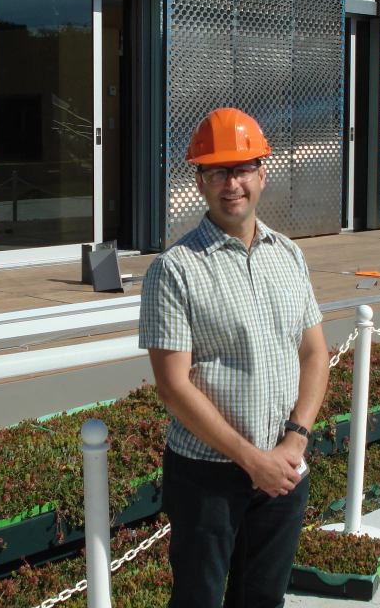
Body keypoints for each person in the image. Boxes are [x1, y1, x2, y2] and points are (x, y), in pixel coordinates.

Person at [139, 107, 330, 608]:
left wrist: (295, 439)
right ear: (200, 180)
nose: (231, 183)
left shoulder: (288, 254)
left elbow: (314, 353)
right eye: (217, 170)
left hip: (285, 472)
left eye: (242, 168)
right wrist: (252, 460)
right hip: (208, 478)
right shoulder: (174, 270)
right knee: (198, 600)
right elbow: (173, 387)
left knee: (263, 599)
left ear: (262, 174)